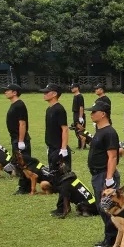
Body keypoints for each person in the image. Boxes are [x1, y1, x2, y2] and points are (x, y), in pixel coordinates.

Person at [88, 99, 121, 247]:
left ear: (103, 114)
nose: (91, 114)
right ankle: (110, 236)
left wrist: (109, 178)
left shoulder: (109, 132)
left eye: (94, 112)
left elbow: (112, 157)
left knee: (106, 207)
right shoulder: (100, 131)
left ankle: (111, 239)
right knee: (101, 207)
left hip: (104, 175)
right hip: (97, 174)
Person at [43, 84, 70, 218]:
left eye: (47, 92)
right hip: (52, 148)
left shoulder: (59, 109)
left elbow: (64, 129)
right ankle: (60, 206)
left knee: (62, 180)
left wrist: (64, 148)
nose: (44, 94)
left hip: (59, 149)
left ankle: (63, 208)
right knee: (55, 178)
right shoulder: (49, 109)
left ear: (54, 94)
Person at [3, 83, 31, 194]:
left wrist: (21, 140)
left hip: (20, 139)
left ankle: (25, 187)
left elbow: (22, 123)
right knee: (19, 164)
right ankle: (23, 186)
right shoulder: (13, 104)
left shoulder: (19, 105)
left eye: (7, 90)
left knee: (23, 163)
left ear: (14, 92)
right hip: (14, 137)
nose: (5, 92)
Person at [70, 83, 86, 148]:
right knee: (76, 130)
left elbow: (81, 107)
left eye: (73, 87)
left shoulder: (80, 96)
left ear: (77, 88)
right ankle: (80, 145)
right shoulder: (75, 96)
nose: (71, 89)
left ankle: (83, 145)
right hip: (75, 113)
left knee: (80, 130)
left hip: (78, 114)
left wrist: (80, 117)